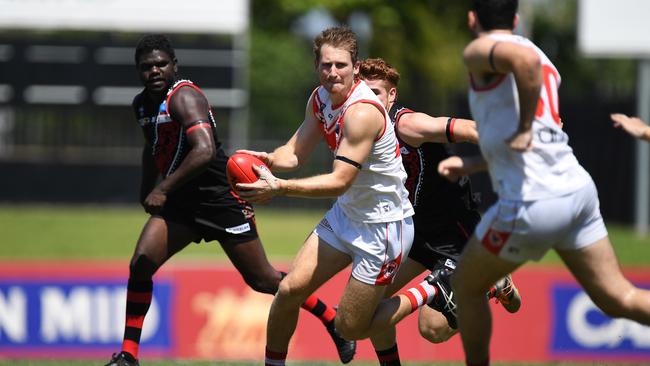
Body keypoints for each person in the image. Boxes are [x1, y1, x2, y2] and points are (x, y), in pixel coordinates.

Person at [105, 34, 355, 366]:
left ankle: (331, 320)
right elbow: (153, 150)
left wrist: (162, 189)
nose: (154, 71)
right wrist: (147, 188)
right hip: (181, 204)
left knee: (263, 279)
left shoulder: (184, 98)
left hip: (220, 200)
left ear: (174, 66)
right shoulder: (142, 105)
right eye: (146, 66)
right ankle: (128, 356)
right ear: (138, 71)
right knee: (141, 264)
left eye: (161, 64)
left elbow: (205, 151)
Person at [441, 1, 650, 366]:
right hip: (576, 191)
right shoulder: (543, 57)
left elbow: (522, 74)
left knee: (467, 286)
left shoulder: (480, 50)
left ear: (472, 18)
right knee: (619, 299)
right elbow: (541, 137)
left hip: (533, 202)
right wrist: (475, 164)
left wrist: (522, 129)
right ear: (517, 19)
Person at [234, 26, 457, 366]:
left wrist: (278, 187)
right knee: (289, 290)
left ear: (356, 68)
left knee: (350, 326)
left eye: (340, 65)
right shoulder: (320, 99)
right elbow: (293, 154)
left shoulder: (362, 112)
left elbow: (339, 180)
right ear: (316, 67)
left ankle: (435, 286)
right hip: (346, 215)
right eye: (326, 65)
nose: (332, 72)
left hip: (382, 229)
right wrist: (266, 161)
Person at [358, 58, 521, 366]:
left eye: (376, 93)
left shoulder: (405, 124)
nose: (369, 102)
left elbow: (466, 128)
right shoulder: (359, 129)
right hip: (413, 233)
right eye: (363, 94)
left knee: (431, 329)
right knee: (367, 304)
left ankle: (486, 284)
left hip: (455, 234)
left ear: (392, 96)